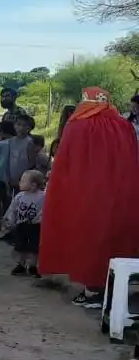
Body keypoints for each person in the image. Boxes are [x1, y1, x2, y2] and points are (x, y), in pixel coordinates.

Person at [39, 87, 139, 308]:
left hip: (86, 192)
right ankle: (112, 285)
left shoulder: (77, 126)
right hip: (119, 190)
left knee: (88, 238)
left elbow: (66, 163)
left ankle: (92, 290)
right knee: (113, 236)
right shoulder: (124, 125)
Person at [5, 170, 46, 277]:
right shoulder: (19, 196)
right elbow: (12, 209)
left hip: (36, 226)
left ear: (33, 185)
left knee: (34, 247)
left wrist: (39, 219)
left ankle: (33, 266)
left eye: (23, 181)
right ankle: (21, 265)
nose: (20, 182)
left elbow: (45, 210)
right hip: (21, 225)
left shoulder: (42, 197)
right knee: (20, 246)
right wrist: (10, 220)